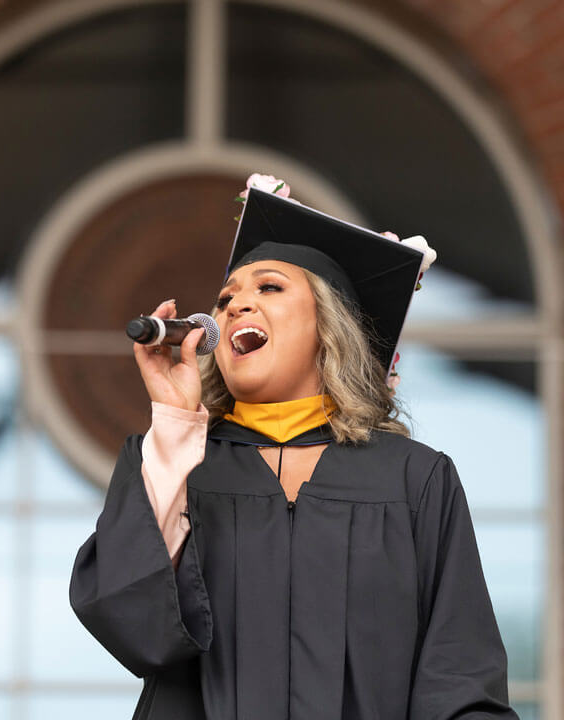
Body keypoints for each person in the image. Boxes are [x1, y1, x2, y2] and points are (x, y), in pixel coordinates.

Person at [69, 175, 519, 719]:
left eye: (270, 287)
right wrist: (174, 422)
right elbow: (129, 621)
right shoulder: (174, 464)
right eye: (226, 298)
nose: (235, 306)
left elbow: (460, 677)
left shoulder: (412, 481)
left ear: (328, 326)